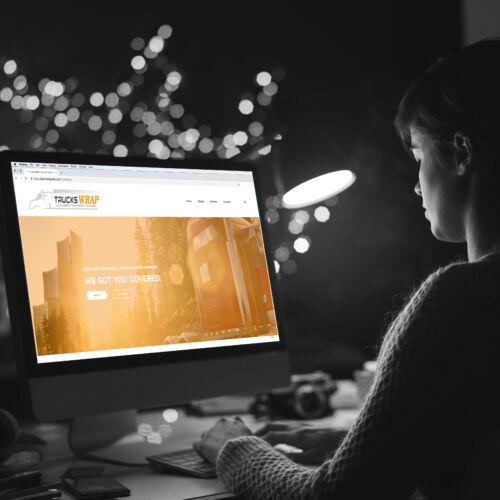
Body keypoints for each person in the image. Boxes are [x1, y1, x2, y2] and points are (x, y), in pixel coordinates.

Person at [193, 38, 500, 499]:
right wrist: (347, 444)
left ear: (461, 152)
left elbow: (334, 498)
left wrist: (233, 449)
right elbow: (459, 442)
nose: (417, 186)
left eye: (418, 158)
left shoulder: (459, 300)